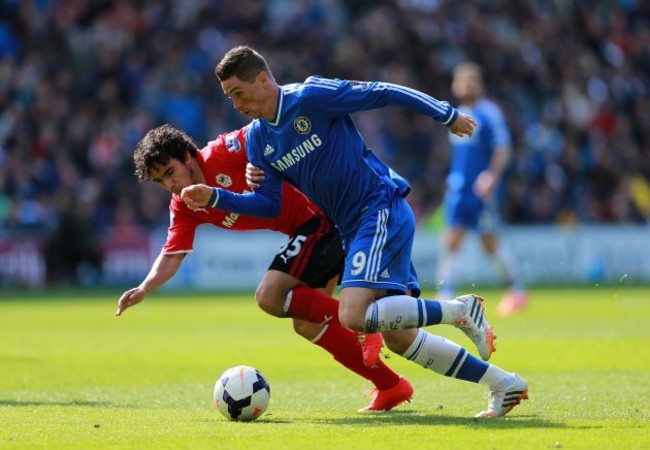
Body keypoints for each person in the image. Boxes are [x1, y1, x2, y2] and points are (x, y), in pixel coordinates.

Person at [182, 45, 528, 418]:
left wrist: (445, 113)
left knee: (353, 314)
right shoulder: (258, 141)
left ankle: (459, 311)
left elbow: (383, 92)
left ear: (263, 80)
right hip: (353, 227)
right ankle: (504, 384)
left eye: (238, 92)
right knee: (399, 336)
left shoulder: (311, 96)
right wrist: (218, 197)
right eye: (229, 97)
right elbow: (269, 203)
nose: (235, 104)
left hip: (378, 207)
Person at [115, 123, 414, 412]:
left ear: (187, 156)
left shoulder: (223, 151)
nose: (170, 184)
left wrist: (260, 159)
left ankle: (362, 324)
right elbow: (172, 255)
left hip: (321, 216)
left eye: (170, 173)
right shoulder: (183, 205)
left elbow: (267, 129)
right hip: (307, 230)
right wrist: (145, 287)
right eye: (161, 181)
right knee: (308, 323)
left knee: (269, 295)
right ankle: (391, 386)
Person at [437, 62, 528, 317]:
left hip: (481, 191)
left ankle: (517, 291)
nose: (467, 85)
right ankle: (445, 294)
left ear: (480, 84)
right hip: (458, 190)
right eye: (462, 80)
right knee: (451, 240)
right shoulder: (455, 114)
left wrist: (491, 176)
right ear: (455, 85)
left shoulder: (489, 113)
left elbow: (502, 149)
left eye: (472, 80)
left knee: (490, 242)